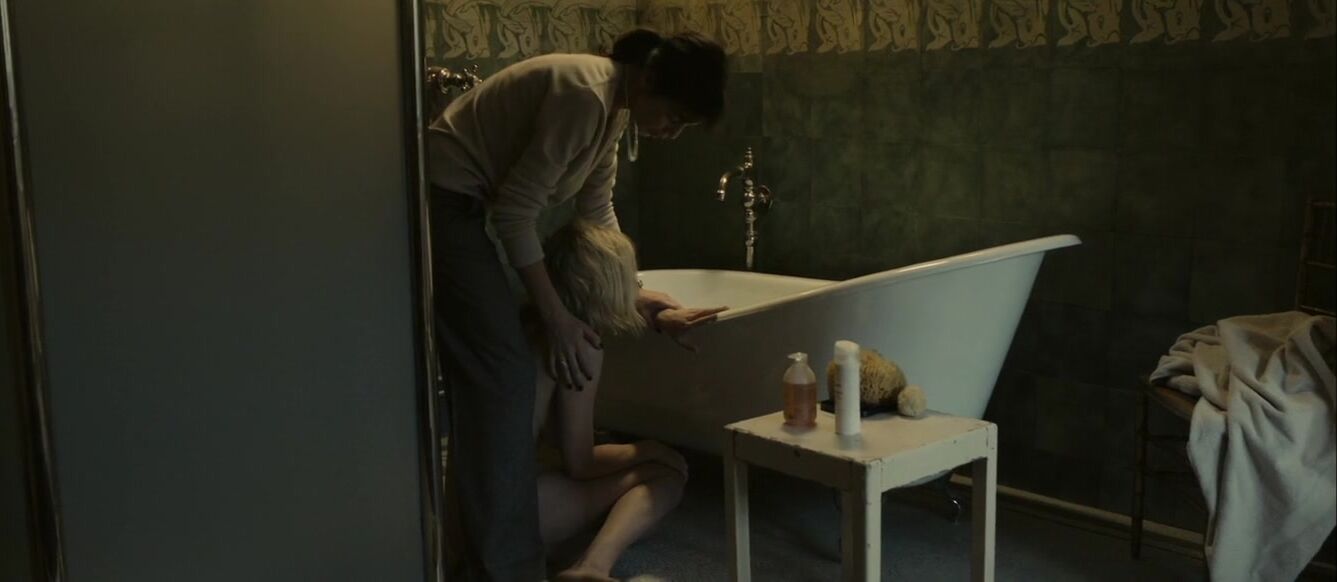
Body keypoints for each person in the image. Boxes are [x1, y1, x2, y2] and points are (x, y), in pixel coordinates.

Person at [428, 28, 728, 581]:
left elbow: (597, 211)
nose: (670, 132)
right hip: (444, 197)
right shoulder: (585, 94)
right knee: (503, 371)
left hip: (466, 203)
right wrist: (560, 319)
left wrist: (637, 294)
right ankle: (510, 568)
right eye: (674, 117)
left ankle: (493, 550)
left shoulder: (612, 109)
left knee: (504, 368)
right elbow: (515, 214)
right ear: (650, 79)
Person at [529, 221, 724, 582]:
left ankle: (558, 550)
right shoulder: (579, 344)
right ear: (608, 285)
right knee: (666, 475)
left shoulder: (534, 322)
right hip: (527, 507)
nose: (636, 286)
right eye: (631, 279)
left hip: (480, 499)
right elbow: (580, 464)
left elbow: (553, 445)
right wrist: (649, 449)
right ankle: (590, 568)